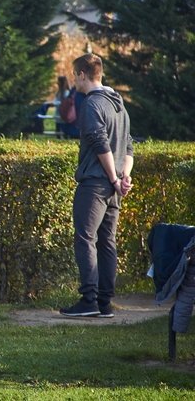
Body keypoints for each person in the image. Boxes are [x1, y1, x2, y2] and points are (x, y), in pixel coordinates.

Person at [60, 53, 133, 318]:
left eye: (74, 75)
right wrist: (124, 177)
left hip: (95, 183)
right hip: (114, 186)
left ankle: (89, 301)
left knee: (85, 239)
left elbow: (99, 142)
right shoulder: (118, 103)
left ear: (82, 74)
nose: (74, 81)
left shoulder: (92, 104)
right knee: (107, 242)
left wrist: (114, 177)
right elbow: (128, 145)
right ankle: (105, 302)